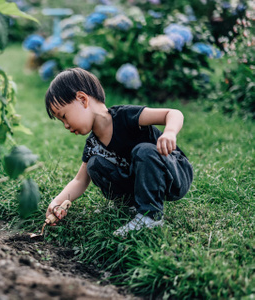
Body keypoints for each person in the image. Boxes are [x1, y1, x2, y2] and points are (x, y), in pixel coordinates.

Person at [44, 68, 193, 237]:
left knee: (143, 150)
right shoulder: (93, 144)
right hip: (143, 179)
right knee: (94, 164)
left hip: (174, 173)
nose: (65, 125)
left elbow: (173, 113)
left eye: (64, 116)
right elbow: (80, 180)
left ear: (82, 99)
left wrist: (169, 132)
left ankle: (150, 217)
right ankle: (131, 205)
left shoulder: (124, 116)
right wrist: (56, 202)